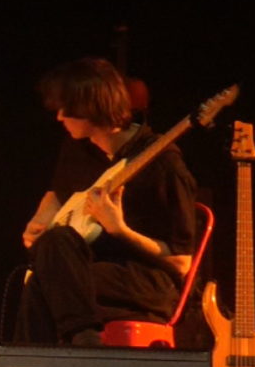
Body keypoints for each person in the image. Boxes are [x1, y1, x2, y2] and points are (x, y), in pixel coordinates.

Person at [17, 58, 198, 345]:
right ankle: (76, 343)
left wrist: (119, 230)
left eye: (67, 109)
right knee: (52, 249)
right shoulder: (78, 147)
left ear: (90, 108)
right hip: (86, 268)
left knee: (44, 282)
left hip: (145, 280)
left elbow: (181, 263)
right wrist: (38, 222)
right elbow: (58, 193)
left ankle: (72, 351)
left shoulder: (163, 165)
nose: (59, 117)